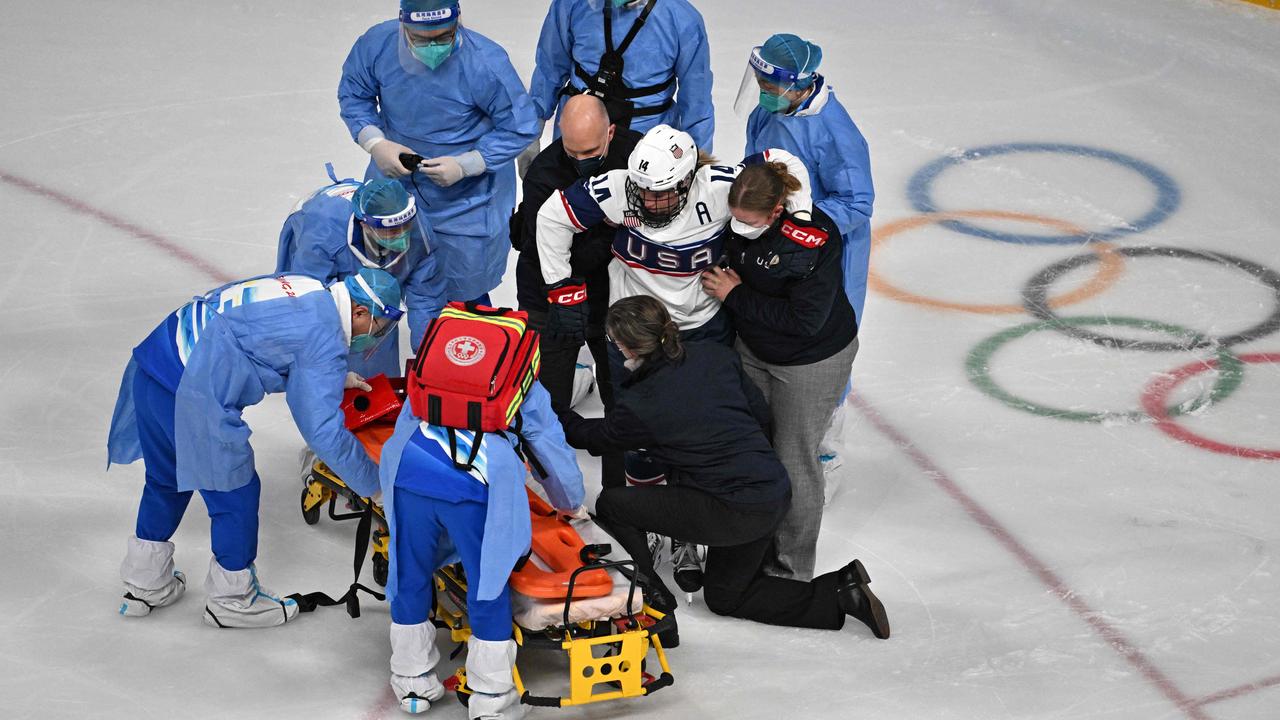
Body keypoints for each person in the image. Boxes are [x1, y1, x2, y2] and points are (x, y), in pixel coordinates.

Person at [556, 296, 890, 641]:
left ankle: (652, 598)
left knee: (613, 504)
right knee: (725, 597)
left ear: (625, 348)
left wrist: (548, 409)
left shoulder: (642, 405)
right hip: (771, 492)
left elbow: (591, 437)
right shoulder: (713, 355)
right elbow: (759, 414)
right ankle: (841, 591)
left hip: (730, 509)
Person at [107, 269, 404, 628]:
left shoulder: (308, 286)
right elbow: (324, 431)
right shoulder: (323, 334)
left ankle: (145, 583)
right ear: (359, 312)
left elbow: (264, 337)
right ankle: (232, 600)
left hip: (155, 367)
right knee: (236, 493)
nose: (374, 337)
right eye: (377, 327)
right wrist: (375, 485)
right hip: (194, 392)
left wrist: (330, 378)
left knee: (166, 479)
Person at [377, 332, 584, 717]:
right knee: (488, 583)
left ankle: (412, 684)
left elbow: (408, 418)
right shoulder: (524, 386)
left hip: (409, 471)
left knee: (410, 572)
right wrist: (568, 502)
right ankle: (490, 700)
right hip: (476, 486)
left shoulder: (434, 370)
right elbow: (550, 448)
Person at [701, 162, 858, 581]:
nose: (739, 227)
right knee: (749, 448)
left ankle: (791, 570)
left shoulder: (810, 241)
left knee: (794, 460)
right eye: (735, 218)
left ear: (775, 212)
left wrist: (735, 295)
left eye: (748, 221)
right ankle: (748, 549)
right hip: (753, 348)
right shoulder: (739, 219)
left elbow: (803, 320)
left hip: (811, 360)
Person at [339, 0, 541, 304]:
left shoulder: (484, 62)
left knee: (464, 293)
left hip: (467, 202)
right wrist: (375, 143)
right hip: (396, 184)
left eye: (443, 37)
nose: (432, 48)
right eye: (421, 39)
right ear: (402, 23)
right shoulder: (376, 46)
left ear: (459, 20)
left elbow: (520, 127)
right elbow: (355, 95)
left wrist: (468, 164)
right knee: (380, 285)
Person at [511, 94, 641, 486]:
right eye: (572, 151)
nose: (581, 159)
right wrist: (616, 232)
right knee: (546, 396)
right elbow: (542, 245)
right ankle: (550, 482)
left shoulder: (636, 156)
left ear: (611, 132)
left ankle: (620, 485)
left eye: (591, 150)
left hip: (612, 293)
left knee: (621, 385)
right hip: (550, 293)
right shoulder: (544, 175)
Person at [277, 172, 446, 378]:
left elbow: (426, 297)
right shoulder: (322, 232)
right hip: (313, 229)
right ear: (364, 224)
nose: (401, 233)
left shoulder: (418, 230)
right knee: (316, 322)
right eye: (391, 231)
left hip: (360, 240)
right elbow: (311, 297)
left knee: (379, 320)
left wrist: (425, 350)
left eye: (404, 226)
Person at [524, 0, 714, 175]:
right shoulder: (573, 4)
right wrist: (530, 131)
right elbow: (549, 70)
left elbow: (697, 105)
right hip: (576, 145)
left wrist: (696, 167)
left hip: (647, 153)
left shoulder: (683, 19)